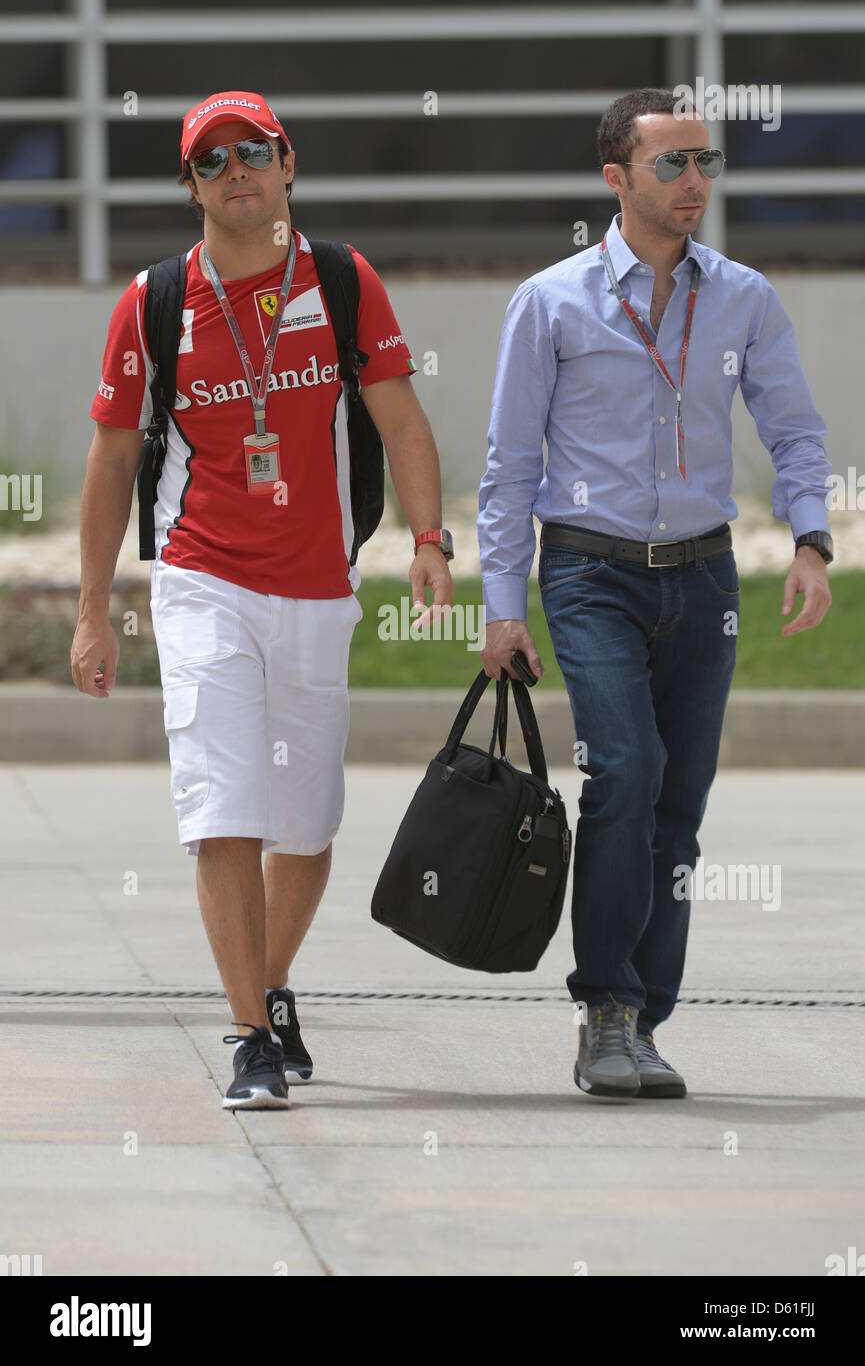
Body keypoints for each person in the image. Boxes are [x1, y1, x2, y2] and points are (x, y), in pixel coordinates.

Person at [72, 90, 455, 1110]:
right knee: (224, 806)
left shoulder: (341, 280)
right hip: (200, 581)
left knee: (307, 824)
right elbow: (111, 463)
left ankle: (271, 984)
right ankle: (250, 1034)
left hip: (318, 589)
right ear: (189, 185)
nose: (234, 170)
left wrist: (428, 539)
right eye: (211, 159)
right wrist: (93, 607)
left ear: (288, 166)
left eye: (253, 152)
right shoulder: (154, 299)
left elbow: (403, 422)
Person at [478, 87, 833, 1100]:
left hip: (703, 572)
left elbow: (796, 430)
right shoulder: (549, 300)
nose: (694, 183)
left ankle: (644, 1014)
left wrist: (810, 539)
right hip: (589, 571)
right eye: (671, 164)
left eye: (704, 163)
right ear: (614, 178)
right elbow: (507, 468)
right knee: (624, 772)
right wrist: (503, 604)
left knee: (678, 805)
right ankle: (605, 1007)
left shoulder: (745, 298)